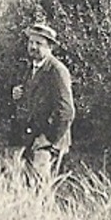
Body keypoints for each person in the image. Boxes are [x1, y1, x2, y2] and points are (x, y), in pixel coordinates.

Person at [12, 22, 75, 188]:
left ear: (50, 47)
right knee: (24, 183)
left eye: (39, 43)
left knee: (40, 186)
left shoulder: (57, 71)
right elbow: (33, 98)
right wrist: (18, 95)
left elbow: (66, 111)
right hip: (31, 135)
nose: (33, 47)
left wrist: (49, 139)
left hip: (47, 141)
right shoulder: (30, 67)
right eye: (31, 42)